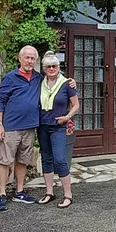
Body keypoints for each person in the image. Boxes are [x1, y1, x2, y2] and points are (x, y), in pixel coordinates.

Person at [0, 45, 75, 212]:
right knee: (5, 160)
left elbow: (56, 79)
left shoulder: (39, 78)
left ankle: (19, 191)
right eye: (27, 57)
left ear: (36, 61)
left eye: (32, 58)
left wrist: (71, 81)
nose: (29, 61)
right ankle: (1, 194)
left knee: (23, 160)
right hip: (10, 127)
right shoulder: (10, 78)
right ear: (20, 58)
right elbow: (0, 101)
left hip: (31, 127)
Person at [36, 51, 79, 209]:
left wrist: (67, 117)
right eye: (48, 66)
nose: (51, 68)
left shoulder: (67, 83)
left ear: (59, 67)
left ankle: (68, 194)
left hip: (58, 127)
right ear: (44, 68)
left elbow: (76, 105)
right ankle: (49, 192)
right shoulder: (40, 82)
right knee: (46, 158)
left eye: (54, 66)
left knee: (60, 159)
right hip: (42, 126)